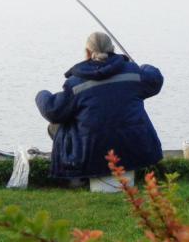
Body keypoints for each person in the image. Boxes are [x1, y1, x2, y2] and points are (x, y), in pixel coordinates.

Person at [35, 32, 164, 181]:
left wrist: (41, 94)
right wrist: (142, 66)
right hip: (139, 152)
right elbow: (155, 79)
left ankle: (78, 178)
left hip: (90, 157)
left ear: (88, 52)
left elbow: (53, 111)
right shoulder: (133, 73)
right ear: (112, 49)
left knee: (56, 126)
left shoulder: (76, 83)